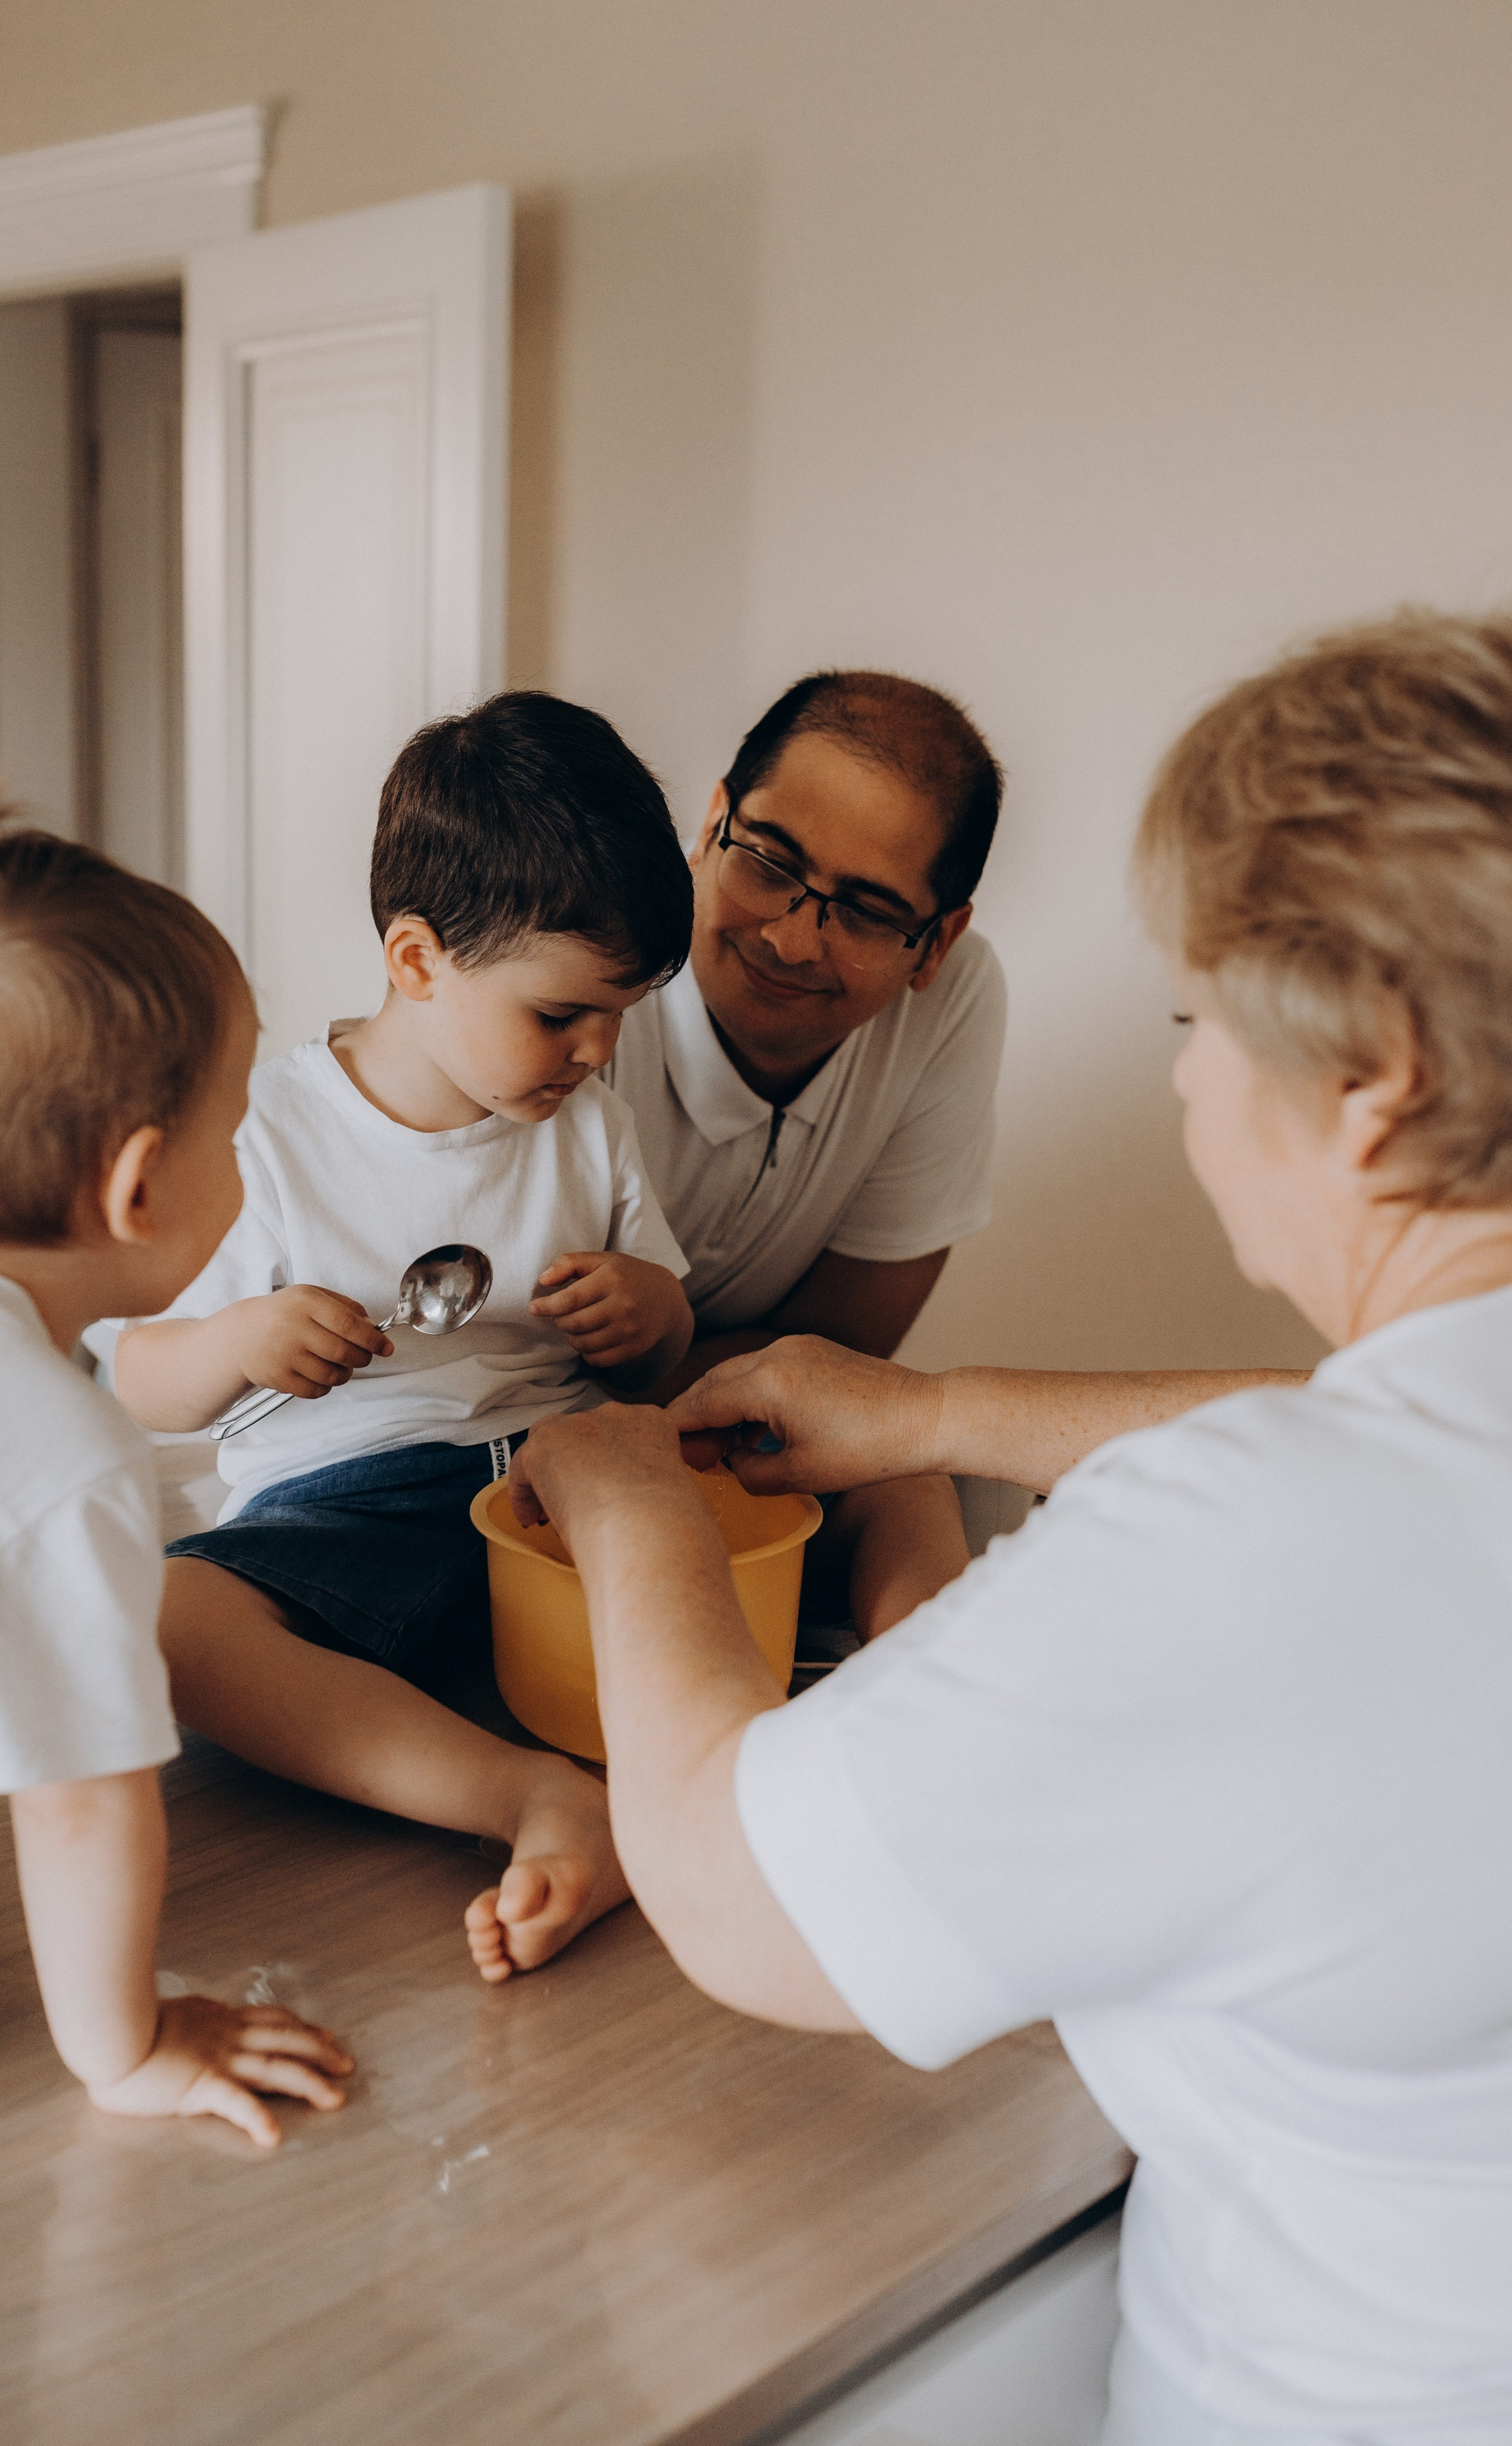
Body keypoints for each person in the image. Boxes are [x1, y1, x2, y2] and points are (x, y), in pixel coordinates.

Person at [507, 597, 1512, 2443]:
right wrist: (931, 1415)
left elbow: (736, 1888)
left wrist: (626, 1506)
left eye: (1201, 1018)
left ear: (1376, 1077)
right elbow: (1387, 1441)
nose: (1182, 1074)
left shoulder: (1263, 1555)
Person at [102, 693, 695, 1985]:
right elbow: (140, 1378)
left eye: (622, 1015)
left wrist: (649, 1313)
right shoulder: (262, 1129)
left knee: (730, 1490)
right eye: (562, 1015)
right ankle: (530, 1796)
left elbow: (664, 1347)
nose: (597, 1051)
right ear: (418, 960)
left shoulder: (585, 1124)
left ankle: (722, 1784)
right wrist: (242, 1338)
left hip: (560, 1473)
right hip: (350, 1497)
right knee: (174, 1620)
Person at [607, 669, 1297, 1654]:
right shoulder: (588, 962)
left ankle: (924, 1714)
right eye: (766, 859)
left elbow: (832, 1370)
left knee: (907, 1468)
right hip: (507, 1430)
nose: (794, 937)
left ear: (935, 945)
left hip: (729, 1436)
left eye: (870, 911)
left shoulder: (956, 1001)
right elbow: (513, 1357)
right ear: (711, 823)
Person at [1, 828, 354, 2146]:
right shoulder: (63, 1447)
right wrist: (130, 2041)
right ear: (140, 1186)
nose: (250, 1153)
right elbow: (81, 1796)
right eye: (238, 1120)